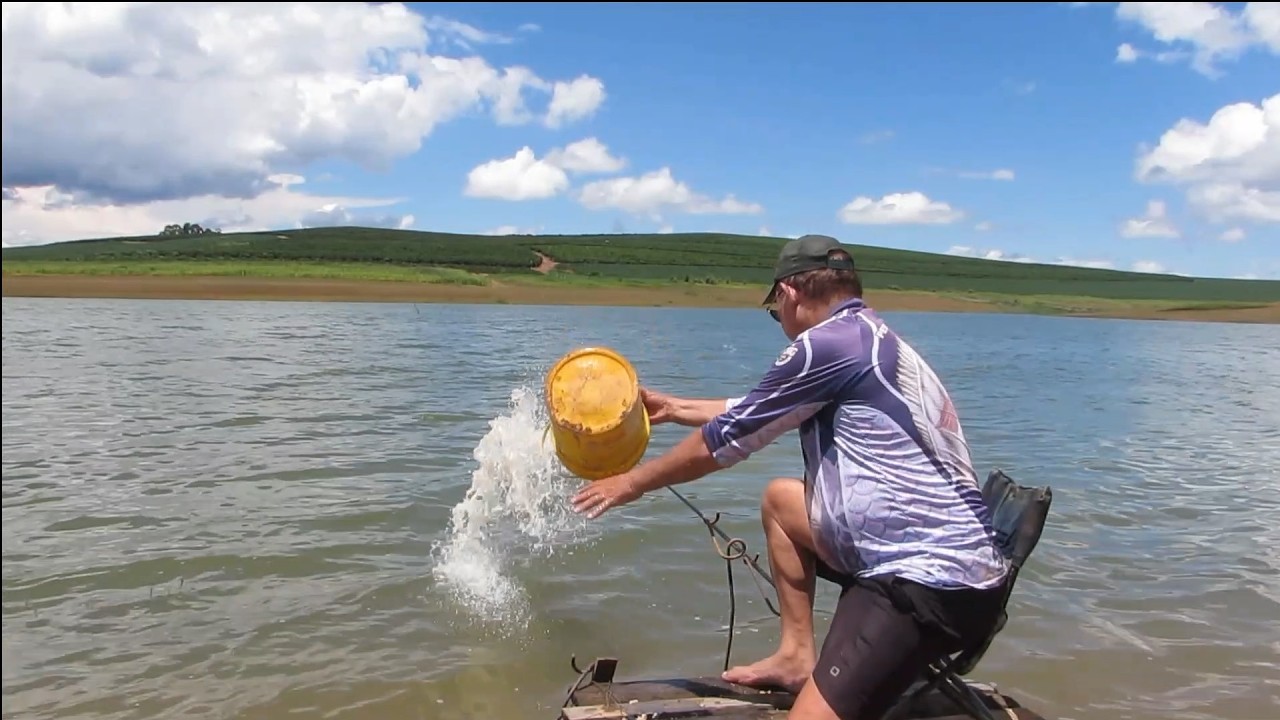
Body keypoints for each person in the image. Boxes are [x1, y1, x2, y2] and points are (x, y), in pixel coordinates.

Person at [570, 234, 1011, 720]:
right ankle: (796, 655)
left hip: (921, 581)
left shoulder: (824, 346)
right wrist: (674, 407)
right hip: (962, 568)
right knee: (782, 501)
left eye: (773, 307)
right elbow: (759, 411)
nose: (778, 318)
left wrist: (629, 483)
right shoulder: (871, 339)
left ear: (789, 293)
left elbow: (726, 441)